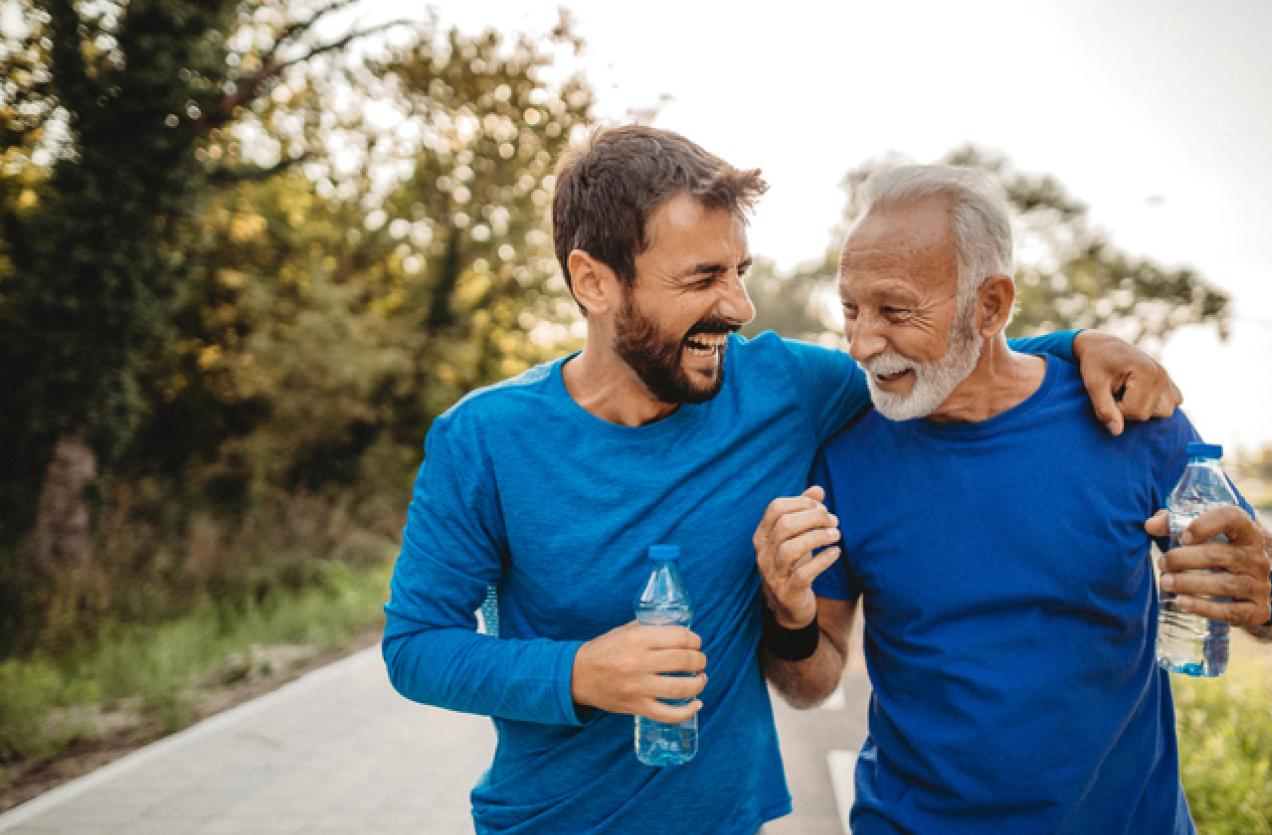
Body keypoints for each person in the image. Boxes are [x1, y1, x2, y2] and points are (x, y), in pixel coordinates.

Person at [382, 126, 1183, 834]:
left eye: (741, 268)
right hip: (548, 821)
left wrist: (1079, 344)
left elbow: (942, 354)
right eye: (702, 278)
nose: (739, 304)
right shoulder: (482, 439)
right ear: (594, 281)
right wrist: (577, 672)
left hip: (730, 818)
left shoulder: (784, 389)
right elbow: (415, 645)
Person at [754, 164, 1272, 834]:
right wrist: (785, 614)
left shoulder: (1127, 417)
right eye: (850, 308)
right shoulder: (846, 456)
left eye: (895, 310)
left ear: (990, 305)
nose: (861, 342)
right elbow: (811, 682)